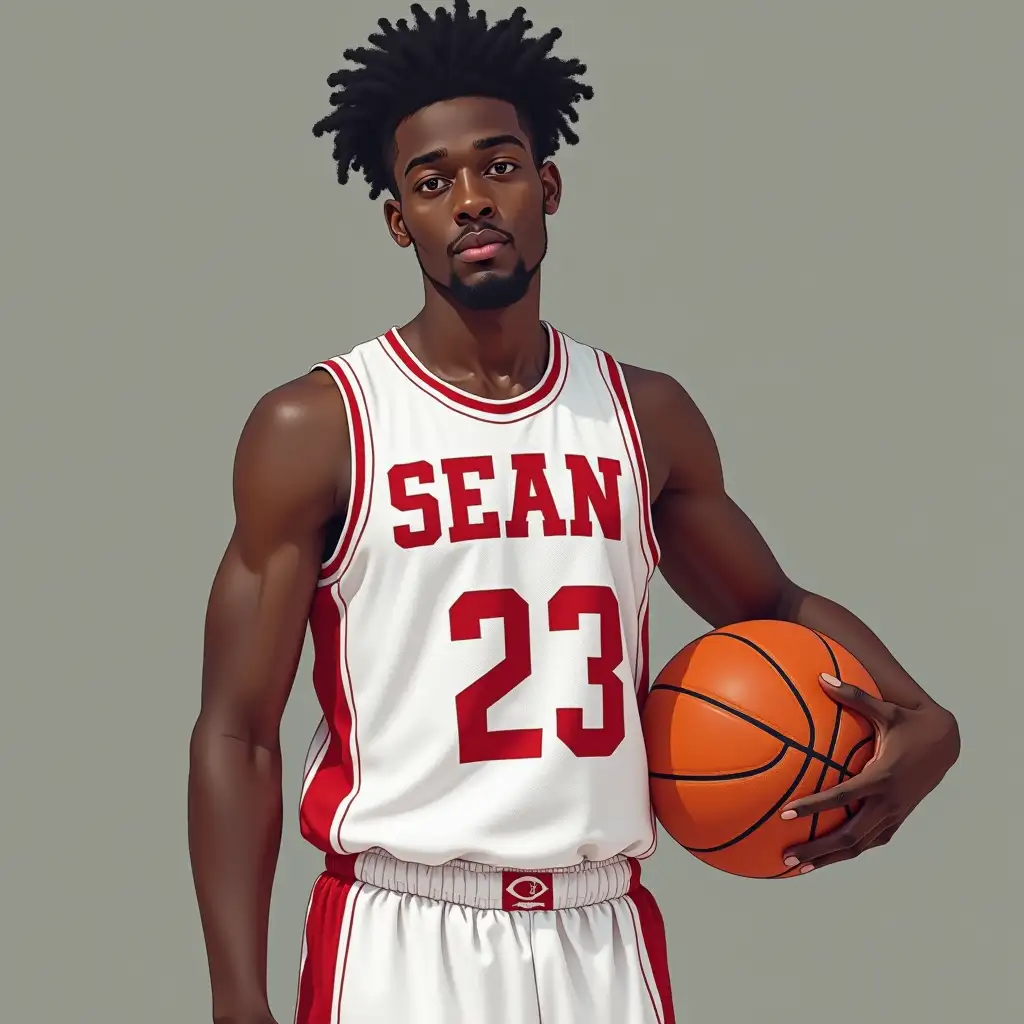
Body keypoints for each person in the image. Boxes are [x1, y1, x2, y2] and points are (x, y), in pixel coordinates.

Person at [187, 4, 961, 1022]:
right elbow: (239, 732)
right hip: (401, 925)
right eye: (431, 182)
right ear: (396, 219)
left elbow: (767, 601)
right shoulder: (320, 425)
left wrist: (926, 719)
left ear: (547, 186)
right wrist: (237, 996)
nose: (470, 199)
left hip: (601, 931)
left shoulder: (642, 414)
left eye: (498, 166)